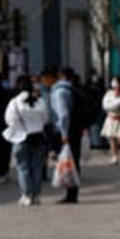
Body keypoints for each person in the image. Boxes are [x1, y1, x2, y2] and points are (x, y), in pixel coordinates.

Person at [2, 75, 52, 205]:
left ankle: (26, 195)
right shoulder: (40, 101)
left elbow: (9, 119)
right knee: (37, 167)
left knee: (23, 167)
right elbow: (46, 118)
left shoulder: (14, 102)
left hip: (22, 138)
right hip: (39, 137)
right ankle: (37, 195)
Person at [49, 68, 87, 203]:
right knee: (73, 160)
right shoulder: (73, 89)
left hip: (68, 131)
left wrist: (64, 134)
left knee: (70, 161)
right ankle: (72, 191)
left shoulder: (60, 91)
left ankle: (71, 192)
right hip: (75, 129)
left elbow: (63, 115)